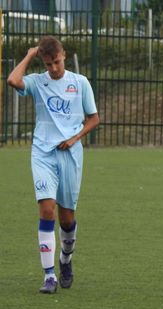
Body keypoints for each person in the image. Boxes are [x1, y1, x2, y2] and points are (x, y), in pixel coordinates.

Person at [7, 36, 99, 294]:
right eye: (48, 64)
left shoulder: (80, 83)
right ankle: (49, 276)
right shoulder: (38, 82)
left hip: (70, 154)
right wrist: (29, 54)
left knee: (67, 219)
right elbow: (13, 80)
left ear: (64, 55)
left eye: (57, 62)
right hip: (42, 153)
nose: (54, 68)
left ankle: (65, 260)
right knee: (47, 210)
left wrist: (75, 138)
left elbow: (94, 118)